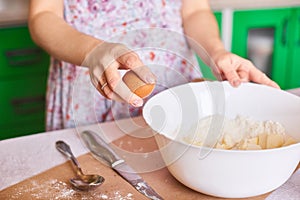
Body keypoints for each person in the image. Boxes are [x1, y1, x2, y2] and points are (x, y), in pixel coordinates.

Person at [28, 0, 279, 131]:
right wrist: (92, 51)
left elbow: (194, 11)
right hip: (91, 76)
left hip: (175, 83)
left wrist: (216, 51)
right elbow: (43, 15)